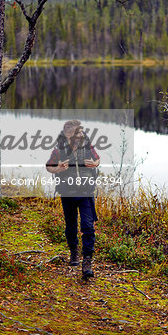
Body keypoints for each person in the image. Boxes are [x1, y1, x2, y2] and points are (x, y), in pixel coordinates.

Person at [46, 119, 100, 279]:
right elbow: (48, 166)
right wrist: (57, 168)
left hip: (86, 192)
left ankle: (87, 261)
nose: (81, 135)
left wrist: (94, 164)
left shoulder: (88, 146)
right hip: (67, 192)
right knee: (71, 226)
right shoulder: (59, 150)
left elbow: (98, 159)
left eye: (82, 132)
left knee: (88, 226)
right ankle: (74, 252)